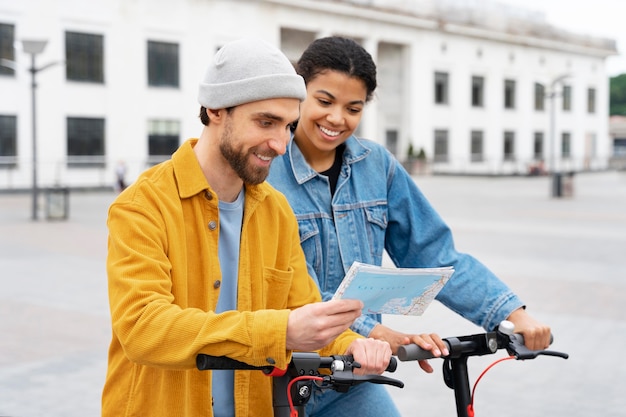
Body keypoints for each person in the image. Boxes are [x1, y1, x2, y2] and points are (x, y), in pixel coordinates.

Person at [102, 38, 392, 417]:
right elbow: (143, 328)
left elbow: (302, 312)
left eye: (288, 125)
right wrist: (281, 331)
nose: (280, 143)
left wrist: (349, 343)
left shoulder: (275, 210)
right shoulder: (142, 206)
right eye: (266, 122)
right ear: (215, 109)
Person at [267, 36, 552, 417]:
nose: (337, 119)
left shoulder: (376, 166)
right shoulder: (266, 170)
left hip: (353, 379)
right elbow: (290, 288)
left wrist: (513, 314)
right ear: (298, 94)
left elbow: (434, 254)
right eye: (324, 101)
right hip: (280, 377)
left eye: (354, 108)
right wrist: (375, 332)